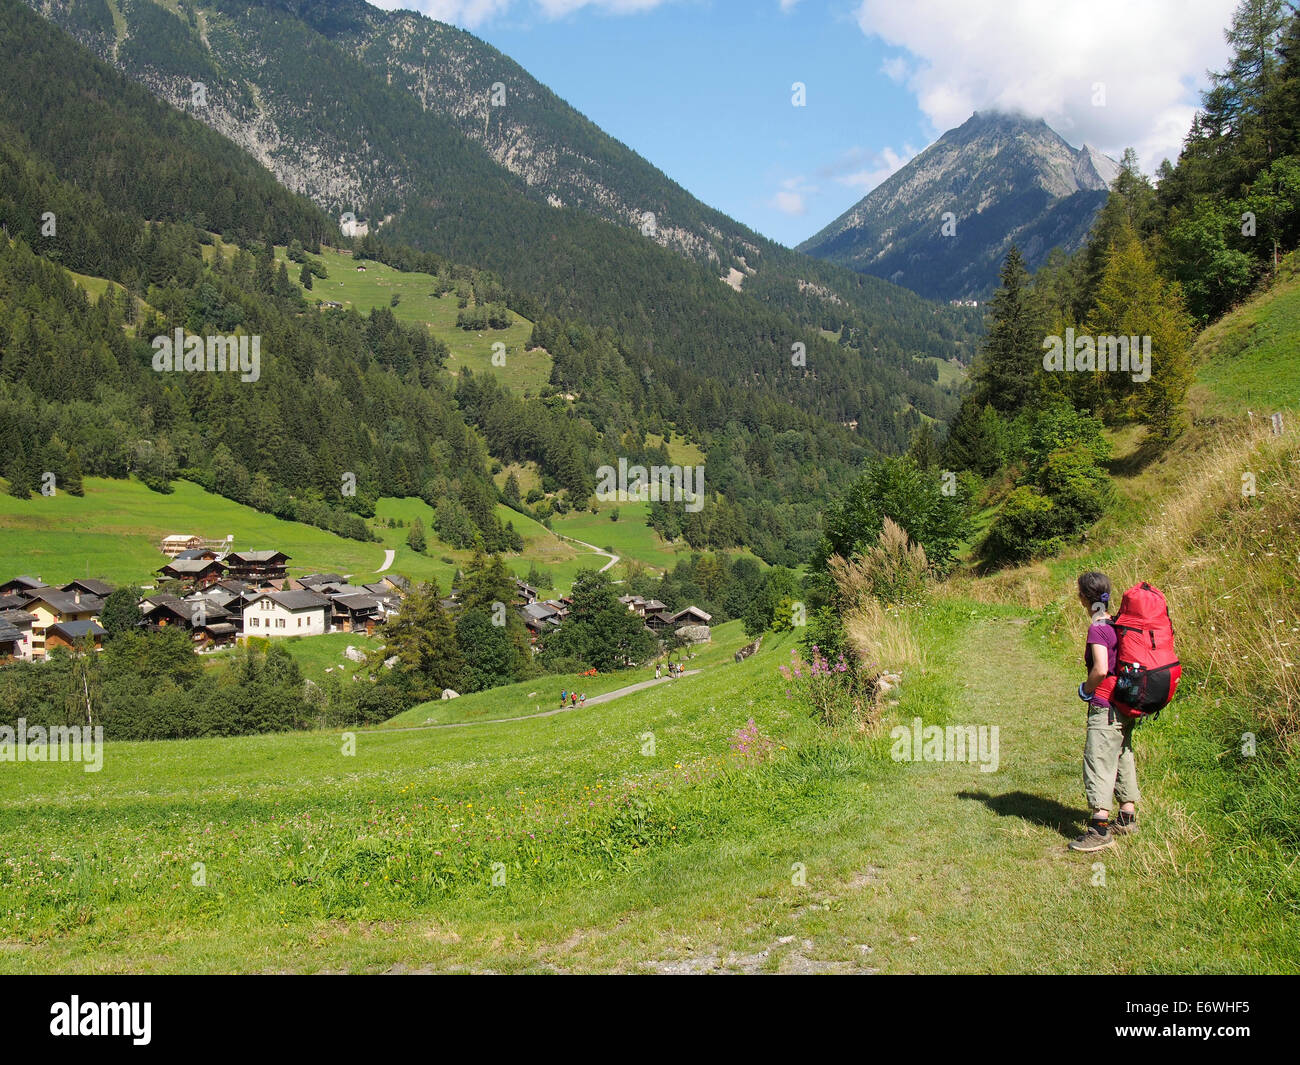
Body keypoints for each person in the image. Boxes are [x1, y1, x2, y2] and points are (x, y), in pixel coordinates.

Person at [1069, 571, 1139, 853]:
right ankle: (1127, 816)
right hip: (1124, 703)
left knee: (1098, 760)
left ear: (1084, 598)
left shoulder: (1097, 628)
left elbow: (1100, 667)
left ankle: (1099, 828)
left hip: (1105, 704)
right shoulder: (1116, 623)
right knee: (1122, 754)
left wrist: (1086, 689)